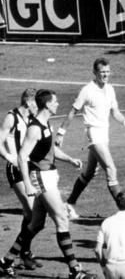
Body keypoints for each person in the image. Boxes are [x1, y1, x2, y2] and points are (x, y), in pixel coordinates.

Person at [0, 90, 90, 279]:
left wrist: (70, 159)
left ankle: (7, 261)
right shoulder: (35, 129)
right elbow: (23, 157)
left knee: (37, 223)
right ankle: (75, 270)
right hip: (41, 177)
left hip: (49, 175)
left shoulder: (45, 123)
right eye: (55, 102)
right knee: (62, 220)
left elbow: (51, 150)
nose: (58, 104)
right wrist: (28, 183)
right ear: (47, 105)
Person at [58, 58, 125, 220]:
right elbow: (73, 111)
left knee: (89, 173)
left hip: (104, 134)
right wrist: (60, 133)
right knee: (111, 169)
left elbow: (115, 112)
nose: (105, 75)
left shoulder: (110, 89)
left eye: (108, 72)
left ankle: (69, 204)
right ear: (95, 73)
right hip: (93, 134)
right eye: (102, 72)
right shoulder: (87, 90)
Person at [0, 89, 42, 270]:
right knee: (33, 211)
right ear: (28, 103)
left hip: (28, 168)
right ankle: (10, 257)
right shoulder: (12, 117)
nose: (38, 108)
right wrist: (9, 157)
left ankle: (24, 253)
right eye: (35, 105)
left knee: (30, 214)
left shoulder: (33, 119)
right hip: (15, 169)